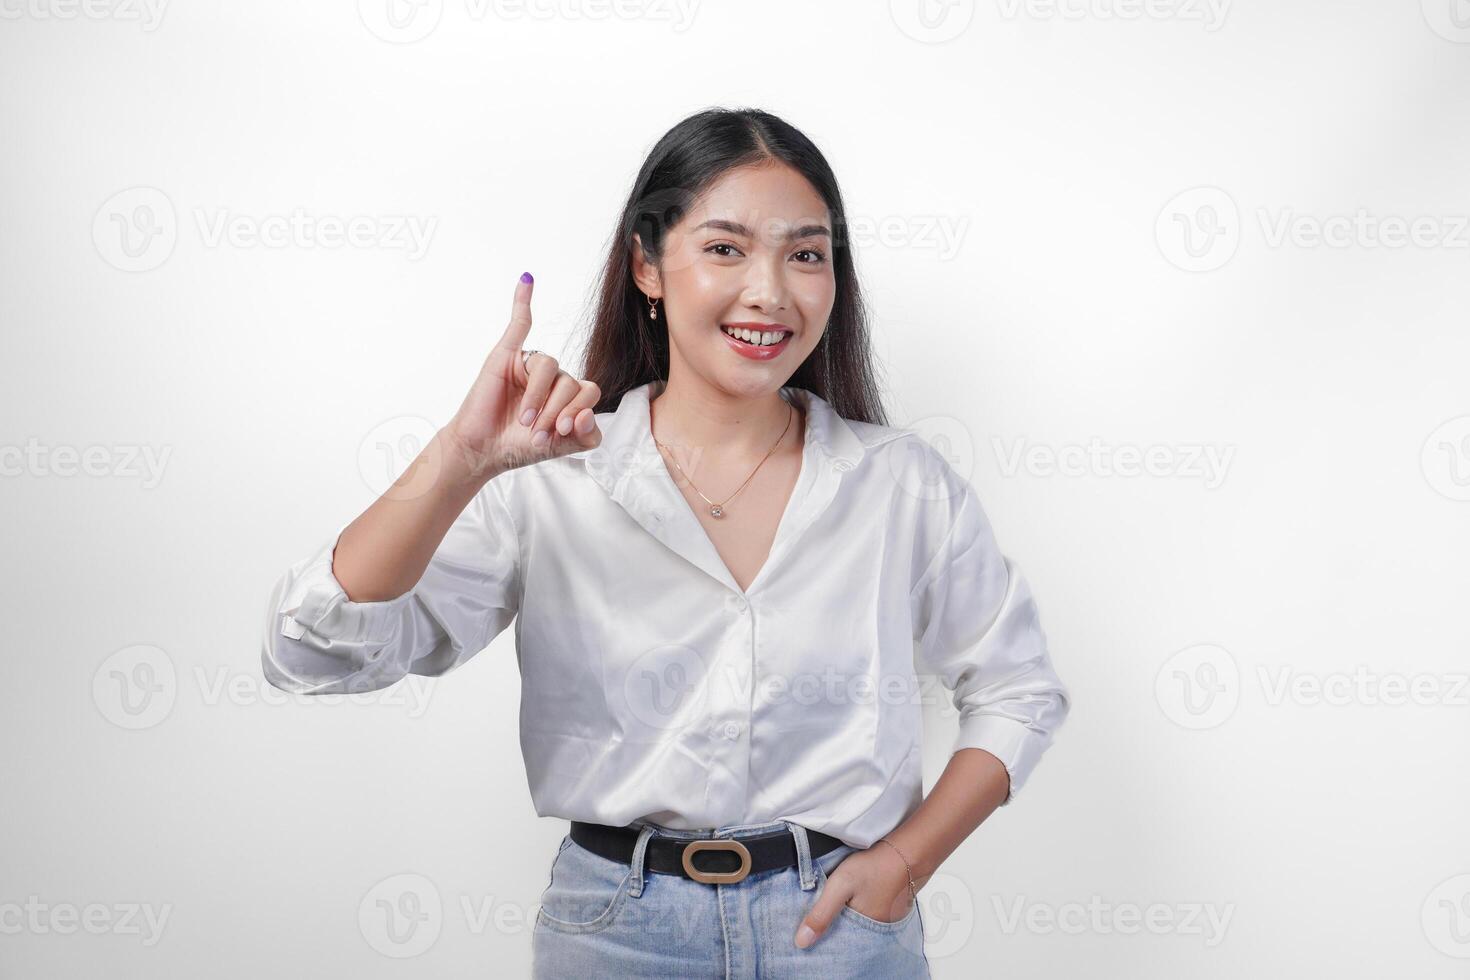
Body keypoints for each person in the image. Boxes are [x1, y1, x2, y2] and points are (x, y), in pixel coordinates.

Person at [261, 107, 1071, 978]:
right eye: (725, 249)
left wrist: (904, 865)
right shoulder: (553, 479)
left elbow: (1019, 689)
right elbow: (309, 652)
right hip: (615, 931)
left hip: (838, 935)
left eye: (805, 254)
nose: (769, 291)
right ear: (648, 264)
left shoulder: (900, 483)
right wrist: (459, 460)